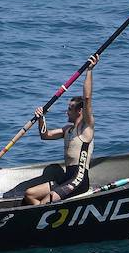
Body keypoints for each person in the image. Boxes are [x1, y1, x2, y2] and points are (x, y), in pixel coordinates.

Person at [25, 54, 99, 204]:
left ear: (80, 111)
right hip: (67, 178)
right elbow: (45, 135)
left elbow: (87, 99)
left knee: (46, 201)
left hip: (79, 179)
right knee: (29, 194)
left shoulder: (86, 129)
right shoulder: (68, 130)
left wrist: (89, 70)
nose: (67, 112)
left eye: (70, 109)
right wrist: (41, 118)